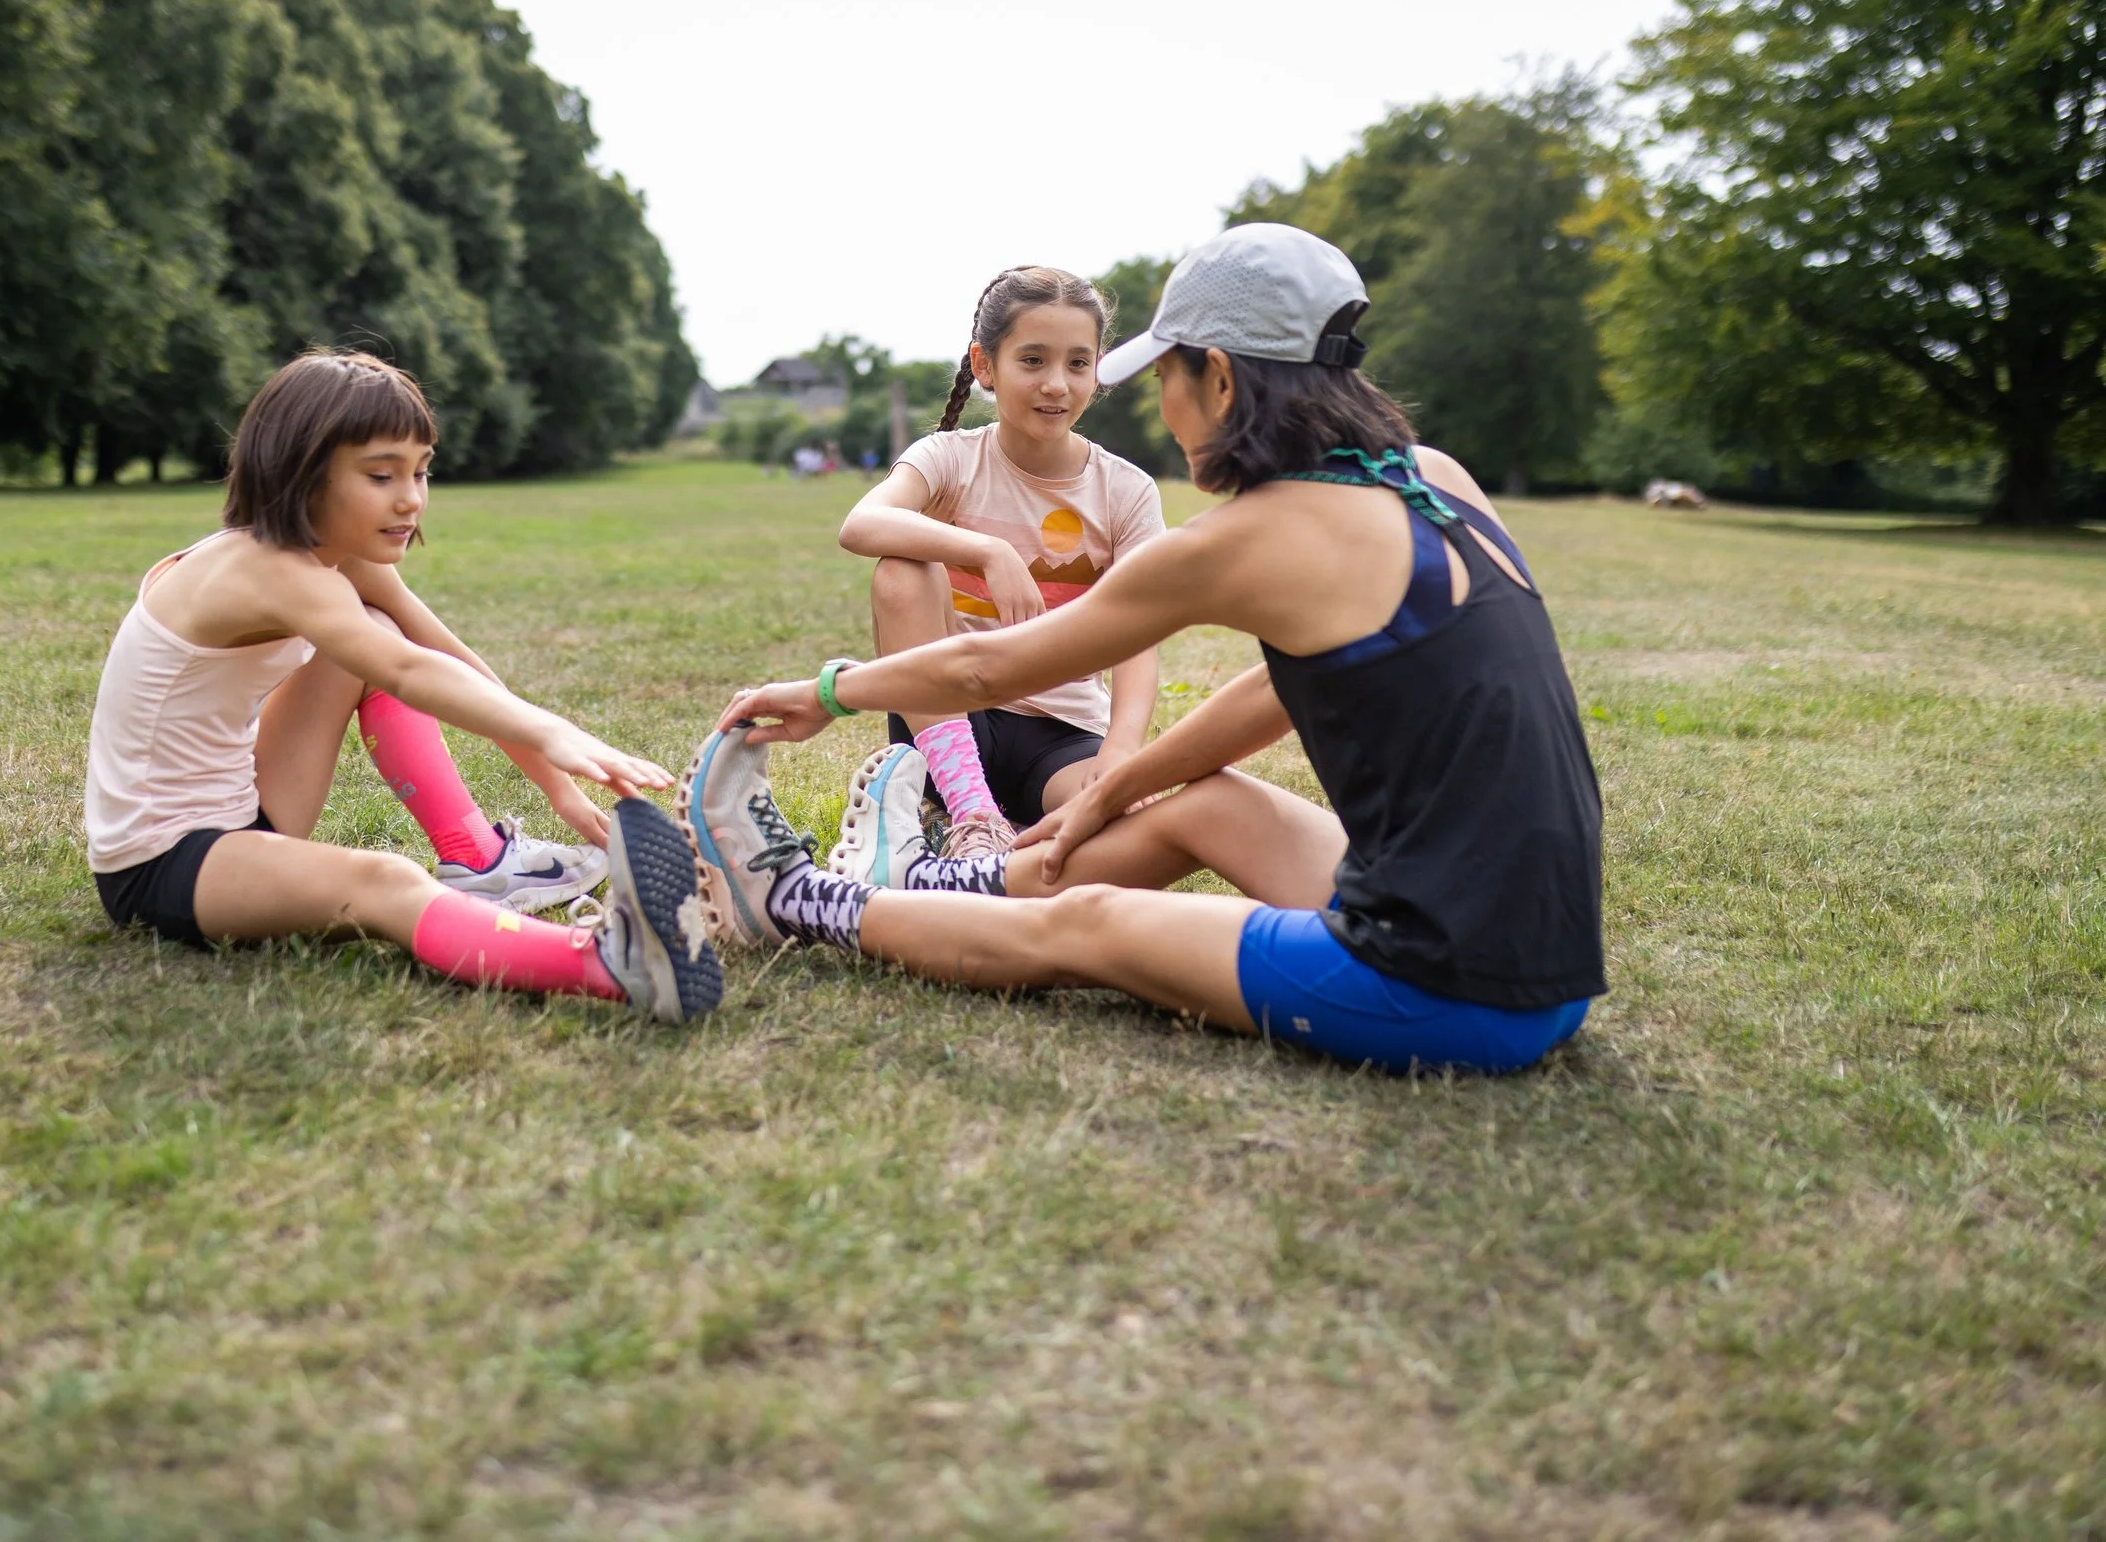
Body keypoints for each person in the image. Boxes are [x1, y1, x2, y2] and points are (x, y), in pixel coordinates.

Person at [685, 225, 1602, 1073]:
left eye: (1163, 376)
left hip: (1442, 984)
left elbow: (987, 668)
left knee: (1088, 926)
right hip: (1540, 961)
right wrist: (1120, 785)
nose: (1160, 408)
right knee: (1207, 809)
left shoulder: (1246, 538)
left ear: (1222, 380)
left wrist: (833, 690)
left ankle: (794, 901)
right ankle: (939, 879)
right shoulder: (1434, 477)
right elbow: (1277, 691)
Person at [84, 351, 721, 1024]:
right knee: (383, 881)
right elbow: (407, 672)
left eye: (422, 471)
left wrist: (558, 785)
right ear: (302, 471)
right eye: (382, 474)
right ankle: (608, 964)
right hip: (162, 864)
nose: (411, 497)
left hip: (251, 815)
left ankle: (475, 859)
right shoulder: (261, 568)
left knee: (380, 626)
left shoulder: (336, 558)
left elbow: (445, 657)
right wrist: (552, 732)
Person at [832, 266, 1164, 865]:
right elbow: (860, 524)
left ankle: (985, 825)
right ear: (985, 365)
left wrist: (1120, 753)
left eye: (1077, 363)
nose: (1056, 384)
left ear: (1099, 368)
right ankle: (971, 813)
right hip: (950, 717)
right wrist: (987, 550)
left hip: (1063, 735)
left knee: (1126, 834)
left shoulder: (1128, 491)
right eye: (1032, 360)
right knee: (903, 567)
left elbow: (1139, 634)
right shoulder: (949, 459)